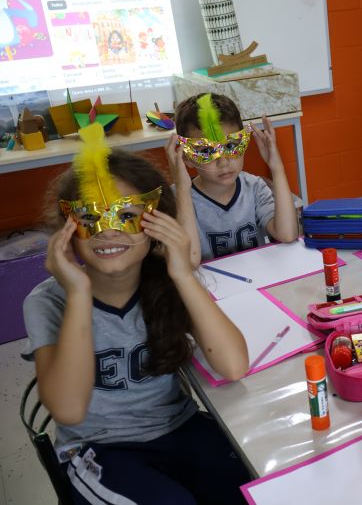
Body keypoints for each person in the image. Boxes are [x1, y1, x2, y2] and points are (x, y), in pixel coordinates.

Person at [23, 123, 251, 504]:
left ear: (156, 224)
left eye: (127, 215)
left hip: (179, 429)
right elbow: (68, 410)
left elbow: (233, 366)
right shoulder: (49, 302)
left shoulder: (169, 281)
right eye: (90, 218)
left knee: (252, 487)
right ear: (68, 230)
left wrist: (183, 273)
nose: (108, 232)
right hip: (99, 449)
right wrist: (78, 294)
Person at [172, 92, 299, 262]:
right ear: (186, 158)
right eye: (207, 151)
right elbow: (187, 261)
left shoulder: (254, 188)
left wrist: (276, 167)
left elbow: (288, 234)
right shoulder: (179, 198)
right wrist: (182, 189)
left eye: (230, 146)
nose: (223, 162)